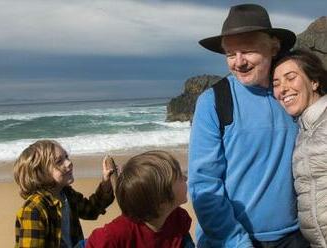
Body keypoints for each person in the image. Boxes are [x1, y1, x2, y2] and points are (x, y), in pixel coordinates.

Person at [188, 4, 310, 247]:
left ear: (273, 47)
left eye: (248, 50)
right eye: (231, 54)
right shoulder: (214, 101)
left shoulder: (294, 96)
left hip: (296, 237)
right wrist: (237, 242)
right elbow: (203, 186)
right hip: (230, 241)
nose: (239, 62)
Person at [14, 140, 115, 247]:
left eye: (66, 157)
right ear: (40, 174)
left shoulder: (67, 194)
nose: (69, 162)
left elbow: (91, 210)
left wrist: (105, 184)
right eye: (59, 161)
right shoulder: (33, 210)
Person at [273, 49, 327, 247]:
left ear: (314, 81)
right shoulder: (302, 131)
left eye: (291, 78)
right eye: (276, 84)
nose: (283, 89)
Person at [86, 150, 194, 248]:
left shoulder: (178, 220)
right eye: (179, 177)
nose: (186, 178)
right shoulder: (117, 234)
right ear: (162, 201)